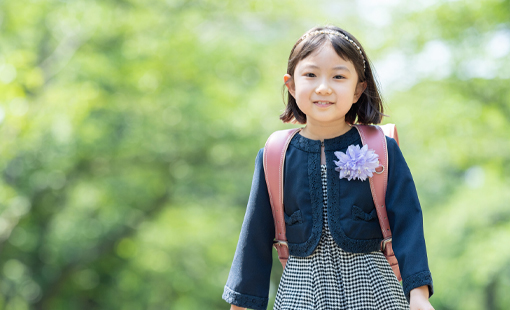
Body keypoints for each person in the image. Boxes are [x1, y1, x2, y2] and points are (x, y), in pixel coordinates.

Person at [222, 25, 434, 310]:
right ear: (292, 85)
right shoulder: (275, 156)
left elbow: (408, 223)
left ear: (360, 87)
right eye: (310, 74)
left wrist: (418, 295)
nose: (324, 87)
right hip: (300, 293)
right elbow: (255, 238)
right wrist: (241, 305)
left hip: (374, 292)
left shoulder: (381, 148)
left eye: (338, 76)